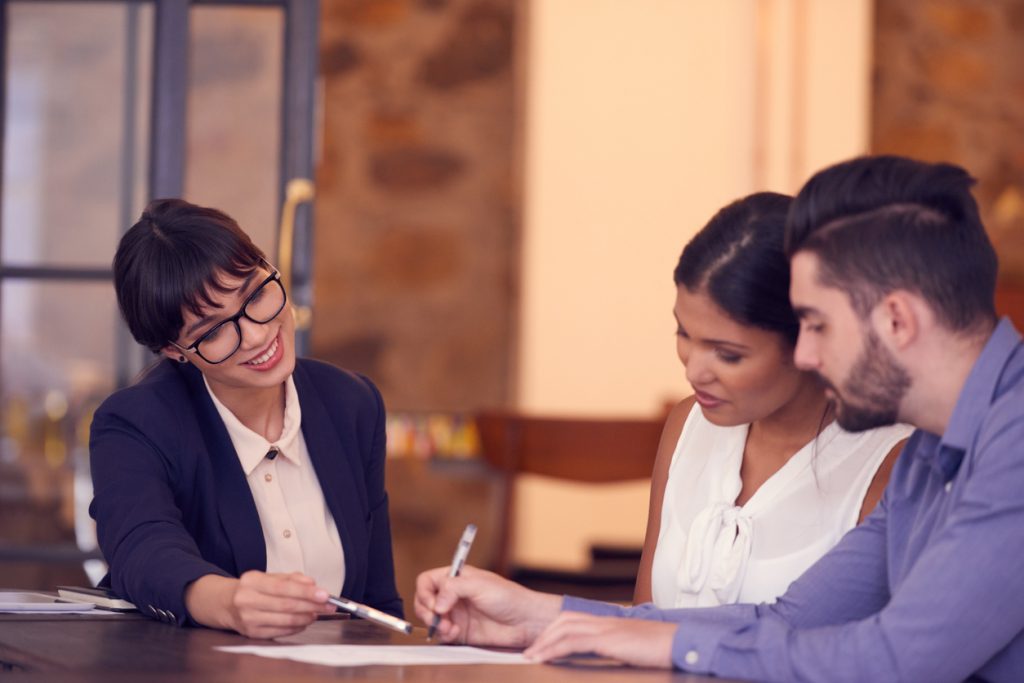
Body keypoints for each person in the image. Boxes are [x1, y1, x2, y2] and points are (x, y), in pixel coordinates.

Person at [415, 156, 1024, 682]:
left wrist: (666, 642)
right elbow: (787, 621)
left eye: (817, 325)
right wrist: (540, 617)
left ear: (896, 321)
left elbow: (897, 660)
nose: (806, 356)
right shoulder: (934, 448)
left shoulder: (1009, 441)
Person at [89, 199, 402, 638]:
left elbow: (376, 602)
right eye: (213, 331)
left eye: (255, 294)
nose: (257, 335)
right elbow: (142, 550)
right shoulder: (136, 422)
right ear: (174, 351)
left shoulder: (352, 403)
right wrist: (230, 603)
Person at [635, 192, 908, 608]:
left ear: (810, 338)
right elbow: (639, 624)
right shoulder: (688, 425)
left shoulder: (889, 467)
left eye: (728, 354)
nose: (693, 371)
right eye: (683, 334)